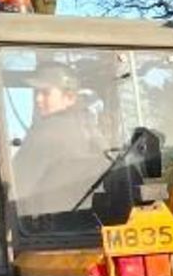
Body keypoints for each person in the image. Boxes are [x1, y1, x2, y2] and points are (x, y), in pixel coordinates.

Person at [12, 68, 108, 215]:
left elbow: (14, 188)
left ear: (69, 98)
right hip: (88, 220)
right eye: (36, 93)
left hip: (46, 225)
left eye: (45, 93)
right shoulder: (92, 131)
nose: (38, 99)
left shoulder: (47, 132)